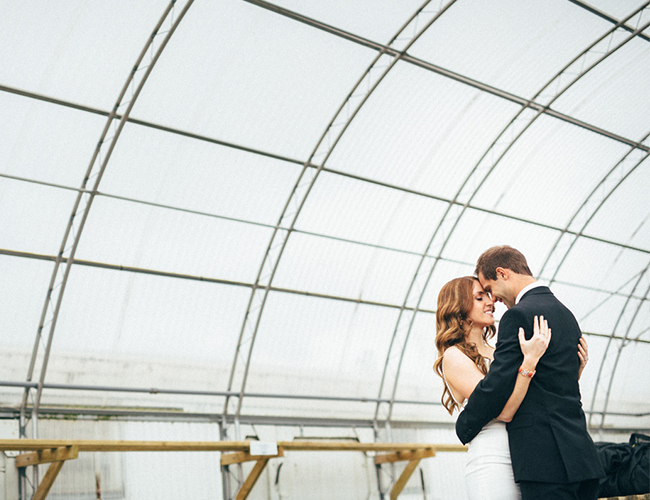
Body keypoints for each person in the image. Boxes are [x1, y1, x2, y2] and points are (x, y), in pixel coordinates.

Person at [455, 245, 604, 500]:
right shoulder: (567, 315)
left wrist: (465, 425)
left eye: (489, 290)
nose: (494, 300)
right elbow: (555, 384)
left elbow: (497, 386)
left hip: (544, 461)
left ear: (502, 273)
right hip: (581, 455)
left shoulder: (518, 316)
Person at [434, 275, 554, 500]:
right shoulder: (453, 357)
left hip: (528, 456)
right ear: (458, 308)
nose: (490, 302)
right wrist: (529, 362)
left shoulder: (500, 351)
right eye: (479, 298)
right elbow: (502, 411)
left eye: (488, 295)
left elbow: (533, 397)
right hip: (493, 461)